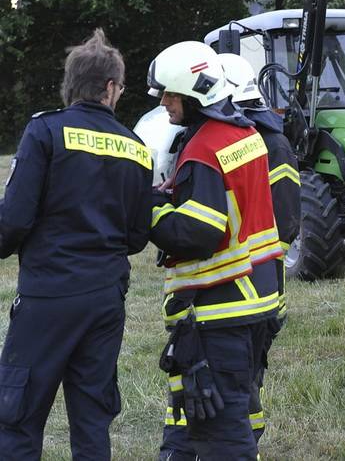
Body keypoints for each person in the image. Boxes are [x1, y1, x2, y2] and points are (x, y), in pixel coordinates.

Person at [0, 29, 152, 460]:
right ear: (109, 87)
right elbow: (138, 236)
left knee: (18, 417)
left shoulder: (45, 132)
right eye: (121, 87)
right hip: (105, 300)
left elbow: (12, 221)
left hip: (48, 297)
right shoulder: (137, 149)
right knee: (91, 419)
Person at [146, 41, 282, 461]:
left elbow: (199, 232)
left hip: (219, 309)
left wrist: (147, 209)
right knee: (229, 415)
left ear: (194, 93)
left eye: (170, 94)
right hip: (255, 298)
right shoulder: (244, 134)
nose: (164, 103)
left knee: (221, 434)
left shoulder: (204, 149)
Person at [218, 51, 301, 441]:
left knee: (247, 374)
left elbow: (286, 222)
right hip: (235, 282)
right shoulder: (237, 138)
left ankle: (246, 445)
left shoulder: (273, 145)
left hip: (259, 282)